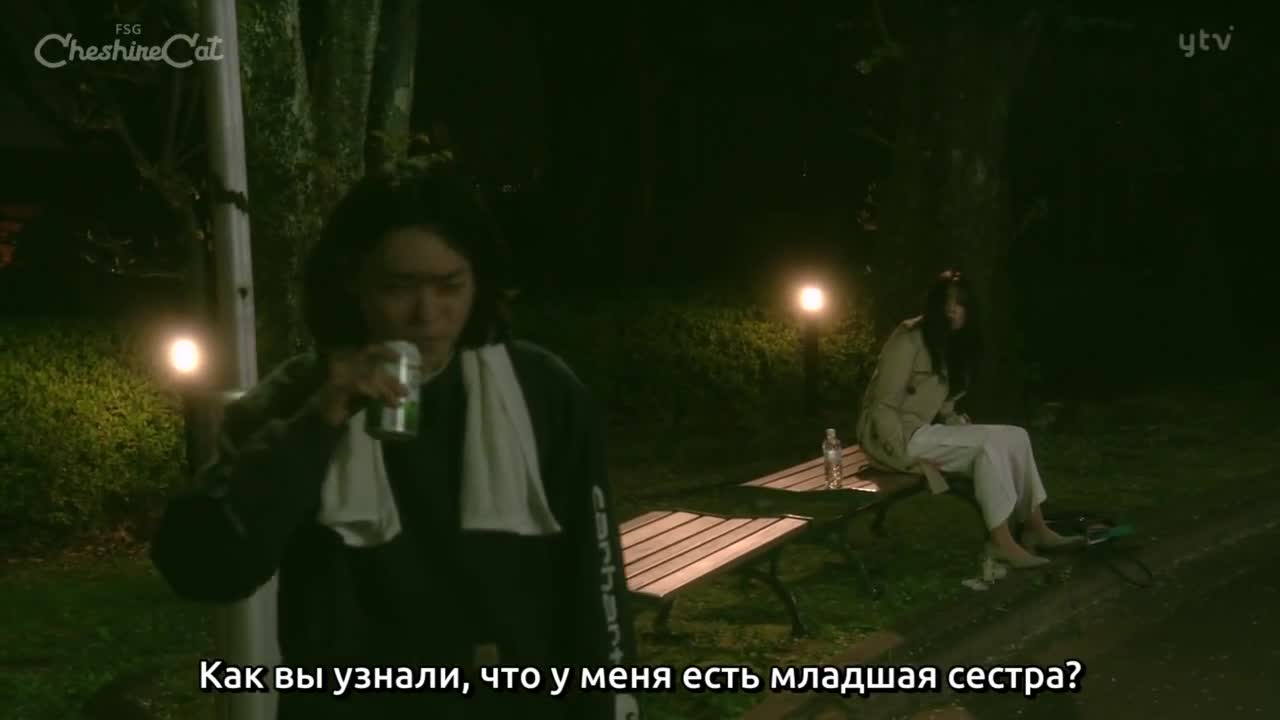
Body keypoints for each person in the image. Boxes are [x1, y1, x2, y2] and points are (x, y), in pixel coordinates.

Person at [150, 155, 639, 719]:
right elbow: (204, 567)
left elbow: (594, 581)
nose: (427, 314)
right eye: (398, 288)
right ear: (353, 280)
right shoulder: (298, 397)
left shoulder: (541, 392)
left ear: (479, 282)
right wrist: (320, 421)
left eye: (450, 286)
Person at [855, 270, 1083, 569]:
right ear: (934, 305)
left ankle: (1036, 528)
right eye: (946, 303)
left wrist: (963, 428)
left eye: (960, 303)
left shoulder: (950, 344)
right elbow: (883, 405)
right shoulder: (908, 338)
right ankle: (1001, 544)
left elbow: (944, 407)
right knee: (986, 446)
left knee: (1016, 436)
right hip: (894, 437)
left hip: (924, 432)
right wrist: (899, 455)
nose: (952, 310)